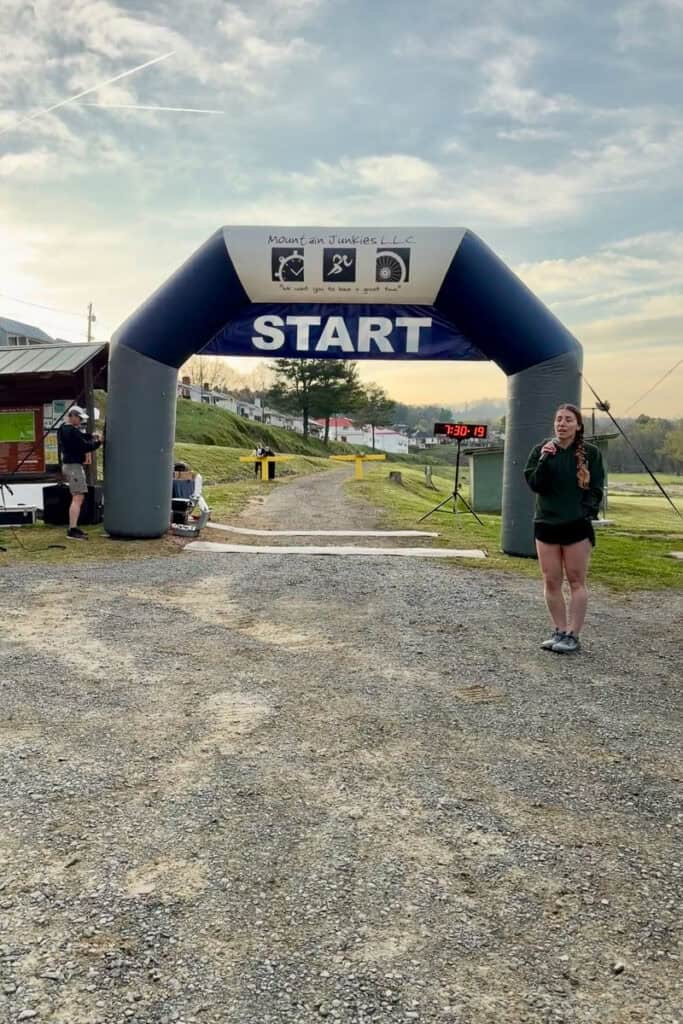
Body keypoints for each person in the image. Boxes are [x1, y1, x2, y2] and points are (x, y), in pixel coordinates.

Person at [524, 403, 605, 654]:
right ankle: (559, 630)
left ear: (578, 425)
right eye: (559, 419)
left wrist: (585, 513)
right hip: (546, 523)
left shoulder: (591, 453)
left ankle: (572, 634)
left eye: (568, 419)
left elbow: (596, 488)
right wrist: (545, 459)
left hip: (575, 526)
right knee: (551, 581)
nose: (562, 424)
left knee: (576, 580)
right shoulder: (541, 450)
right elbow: (535, 484)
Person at [57, 406, 102, 541]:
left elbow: (80, 436)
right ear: (73, 416)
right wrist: (99, 442)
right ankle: (72, 529)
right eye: (80, 418)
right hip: (74, 467)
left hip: (69, 465)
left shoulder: (63, 428)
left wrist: (91, 436)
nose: (81, 421)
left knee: (77, 496)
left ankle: (73, 527)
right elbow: (84, 446)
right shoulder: (71, 430)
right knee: (78, 497)